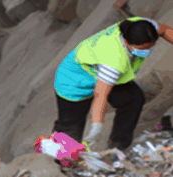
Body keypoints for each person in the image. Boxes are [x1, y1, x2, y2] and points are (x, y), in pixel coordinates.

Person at [53, 18, 173, 150]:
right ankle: (59, 157)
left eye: (150, 46)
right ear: (126, 42)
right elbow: (101, 95)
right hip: (74, 82)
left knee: (133, 99)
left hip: (105, 74)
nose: (147, 51)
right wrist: (96, 127)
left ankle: (118, 146)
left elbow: (164, 30)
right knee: (70, 129)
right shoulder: (114, 60)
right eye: (142, 48)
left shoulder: (143, 27)